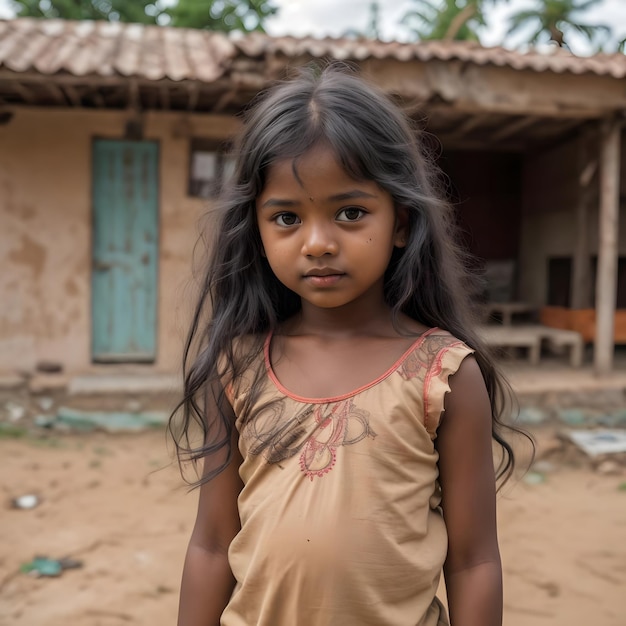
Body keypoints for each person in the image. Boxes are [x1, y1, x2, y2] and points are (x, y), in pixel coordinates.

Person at [170, 64, 528, 626]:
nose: (318, 243)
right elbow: (213, 544)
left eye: (350, 212)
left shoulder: (443, 374)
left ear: (401, 222)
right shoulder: (237, 368)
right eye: (287, 217)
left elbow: (474, 560)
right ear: (257, 231)